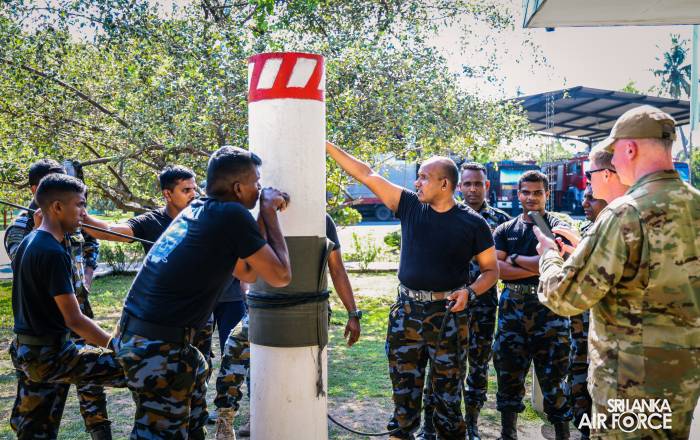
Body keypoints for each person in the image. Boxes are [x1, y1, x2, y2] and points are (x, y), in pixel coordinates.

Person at [536, 105, 700, 439]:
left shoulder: (625, 213)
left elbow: (563, 297)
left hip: (628, 386)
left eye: (614, 152)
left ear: (630, 149)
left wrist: (549, 255)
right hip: (683, 379)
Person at [111, 146, 292, 439]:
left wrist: (260, 216)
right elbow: (281, 276)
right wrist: (269, 212)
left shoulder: (199, 210)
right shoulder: (231, 215)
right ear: (238, 188)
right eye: (256, 182)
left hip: (148, 338)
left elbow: (247, 271)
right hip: (159, 347)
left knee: (193, 429)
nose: (259, 189)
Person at [326, 141, 498, 440]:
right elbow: (366, 174)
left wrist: (469, 293)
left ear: (444, 184)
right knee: (403, 404)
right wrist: (327, 146)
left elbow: (491, 271)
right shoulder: (409, 205)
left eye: (423, 177)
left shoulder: (473, 223)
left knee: (447, 404)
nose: (417, 182)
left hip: (448, 318)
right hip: (406, 316)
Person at [212, 213, 362, 439]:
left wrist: (353, 313)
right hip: (266, 305)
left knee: (298, 368)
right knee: (236, 348)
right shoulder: (258, 216)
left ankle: (270, 414)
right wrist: (255, 301)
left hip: (308, 307)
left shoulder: (319, 218)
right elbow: (246, 274)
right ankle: (228, 416)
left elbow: (337, 268)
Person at [9, 174, 126, 440]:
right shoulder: (51, 252)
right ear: (57, 207)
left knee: (35, 432)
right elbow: (75, 319)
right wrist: (116, 346)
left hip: (29, 350)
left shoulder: (32, 241)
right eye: (79, 204)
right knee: (138, 366)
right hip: (51, 355)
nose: (84, 213)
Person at [422, 162, 510, 440]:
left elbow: (502, 265)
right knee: (438, 365)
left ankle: (471, 423)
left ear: (487, 186)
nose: (473, 189)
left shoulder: (501, 221)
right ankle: (429, 425)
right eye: (468, 184)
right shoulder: (444, 214)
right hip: (447, 306)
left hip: (482, 305)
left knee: (479, 365)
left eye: (478, 184)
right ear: (459, 186)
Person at [491, 170, 572, 440]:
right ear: (518, 194)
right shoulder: (506, 229)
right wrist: (539, 265)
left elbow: (559, 261)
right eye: (526, 192)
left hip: (550, 312)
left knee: (554, 381)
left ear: (547, 194)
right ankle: (508, 434)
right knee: (508, 378)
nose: (531, 197)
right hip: (512, 313)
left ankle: (562, 435)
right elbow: (498, 269)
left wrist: (514, 258)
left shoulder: (557, 227)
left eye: (537, 192)